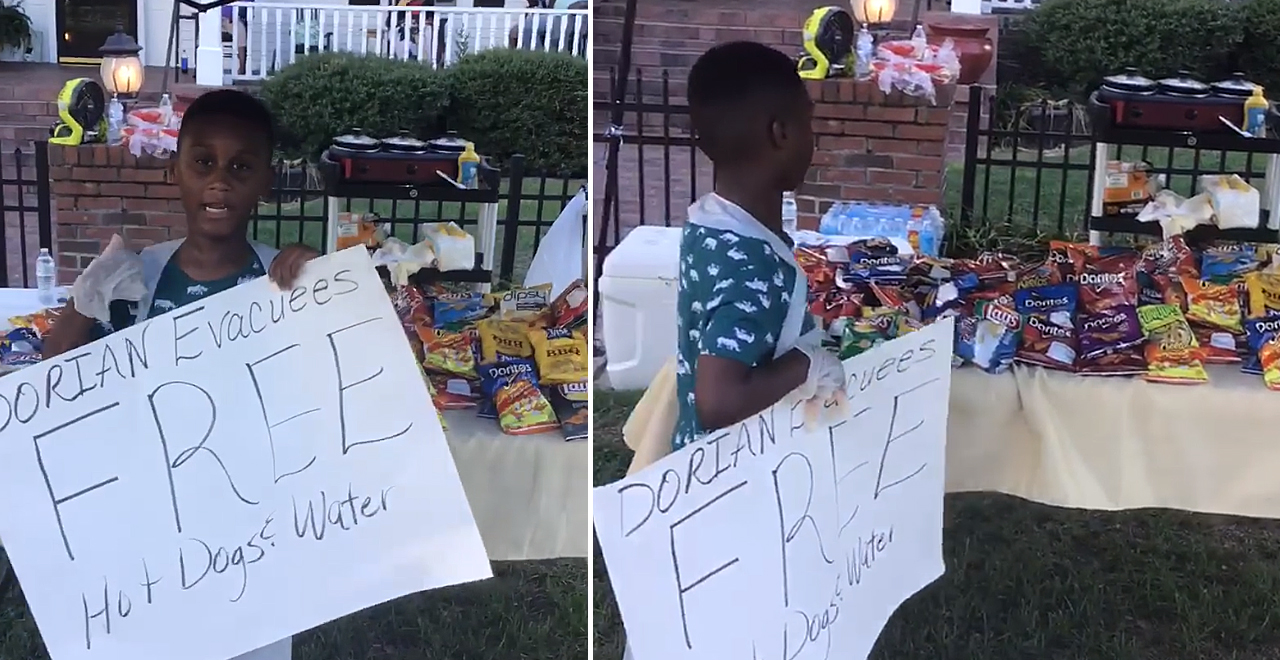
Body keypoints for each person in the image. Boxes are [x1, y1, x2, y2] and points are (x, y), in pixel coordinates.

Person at [43, 89, 319, 359]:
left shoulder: (286, 278)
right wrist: (85, 297)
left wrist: (321, 280)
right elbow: (54, 376)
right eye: (203, 162)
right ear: (175, 172)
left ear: (265, 182)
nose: (220, 181)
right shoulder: (131, 283)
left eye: (241, 167)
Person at [671, 41, 846, 451]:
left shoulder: (709, 223)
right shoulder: (754, 266)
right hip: (736, 478)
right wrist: (808, 363)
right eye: (808, 122)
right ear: (781, 132)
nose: (812, 137)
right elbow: (719, 402)